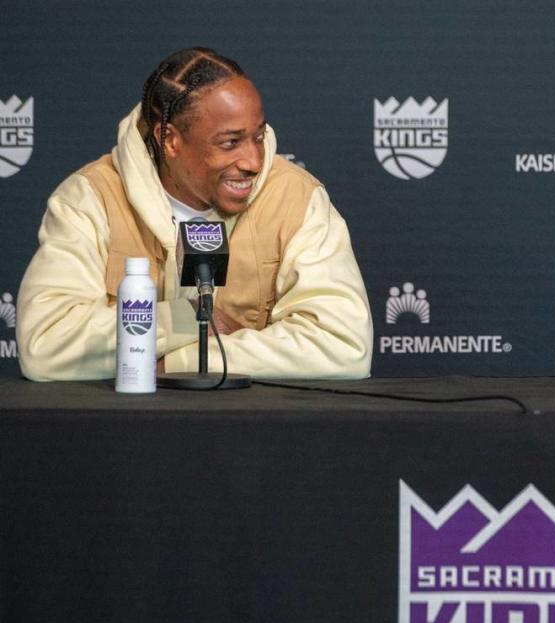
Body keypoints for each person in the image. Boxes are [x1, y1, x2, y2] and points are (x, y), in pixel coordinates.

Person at [17, 47, 373, 381]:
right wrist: (184, 321)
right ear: (169, 139)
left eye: (258, 137)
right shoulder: (90, 198)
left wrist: (175, 361)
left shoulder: (298, 199)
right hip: (126, 436)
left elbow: (344, 346)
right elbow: (45, 345)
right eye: (230, 143)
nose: (252, 161)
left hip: (251, 438)